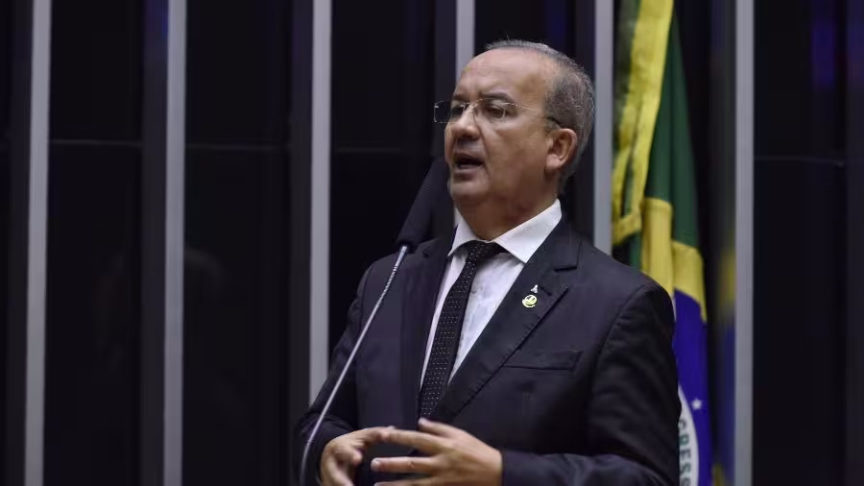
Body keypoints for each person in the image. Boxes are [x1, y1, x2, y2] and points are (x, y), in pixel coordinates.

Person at [294, 40, 680, 486]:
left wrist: (503, 473)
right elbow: (321, 422)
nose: (462, 127)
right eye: (457, 109)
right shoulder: (390, 278)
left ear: (557, 148)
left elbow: (647, 478)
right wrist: (326, 450)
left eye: (495, 111)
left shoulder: (619, 303)